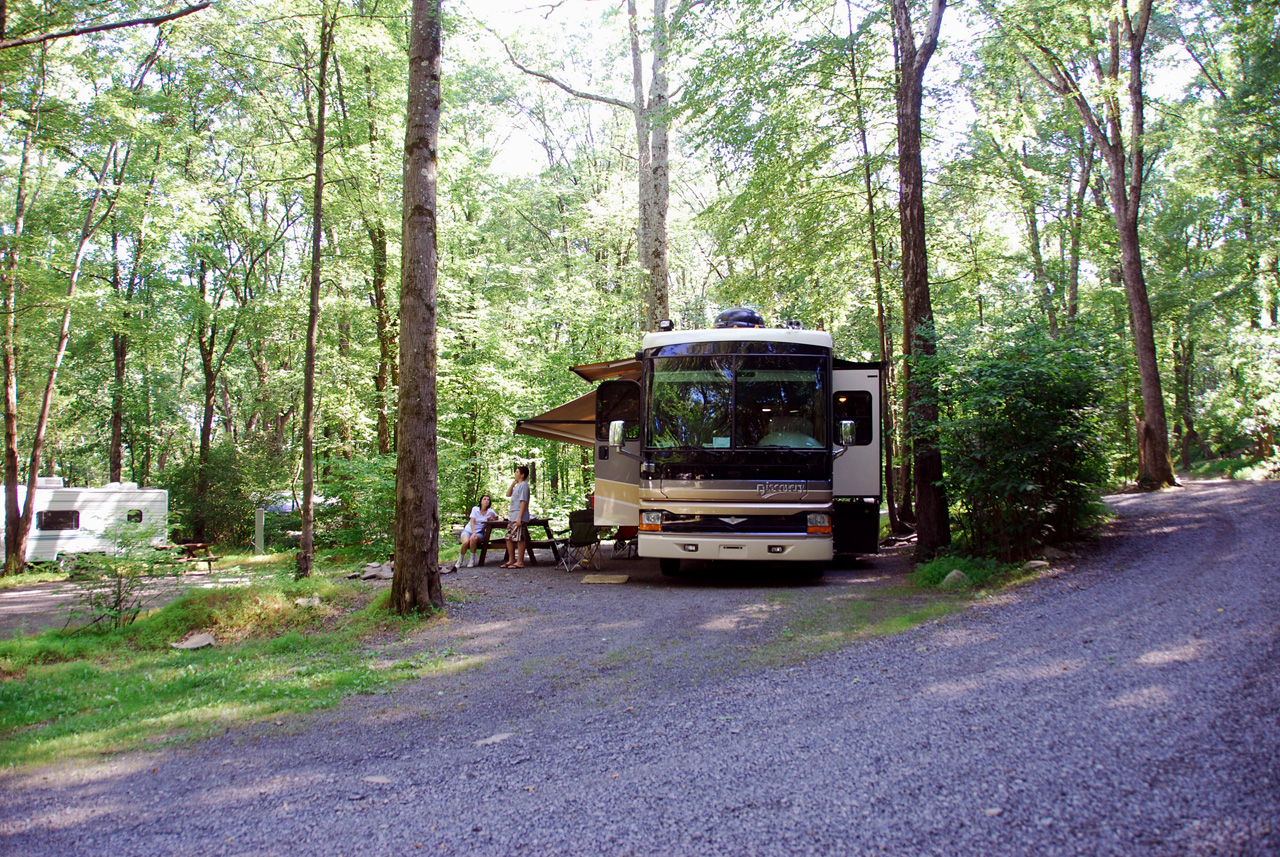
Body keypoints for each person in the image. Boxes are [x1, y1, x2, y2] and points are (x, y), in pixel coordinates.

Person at [451, 494, 499, 572]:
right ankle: (460, 560)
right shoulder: (475, 509)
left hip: (479, 533)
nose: (486, 501)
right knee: (466, 542)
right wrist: (473, 533)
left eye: (488, 500)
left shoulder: (490, 511)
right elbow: (472, 522)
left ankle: (472, 559)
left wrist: (492, 518)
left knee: (474, 538)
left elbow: (497, 518)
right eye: (484, 499)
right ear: (481, 501)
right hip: (468, 530)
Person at [502, 465, 531, 568]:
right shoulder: (518, 485)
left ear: (522, 475)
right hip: (512, 516)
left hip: (519, 516)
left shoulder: (524, 485)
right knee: (508, 537)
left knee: (519, 538)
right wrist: (513, 484)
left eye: (517, 472)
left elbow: (524, 501)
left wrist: (520, 517)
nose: (515, 473)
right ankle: (511, 559)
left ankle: (520, 561)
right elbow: (508, 494)